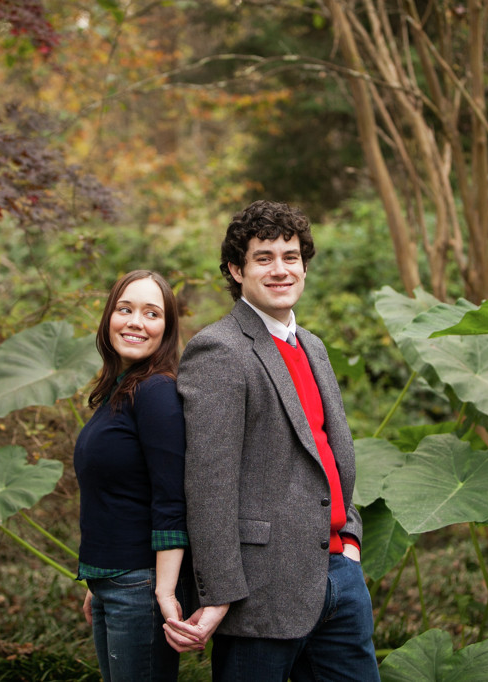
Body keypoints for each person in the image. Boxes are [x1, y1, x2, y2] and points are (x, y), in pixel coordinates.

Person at [165, 200, 380, 680]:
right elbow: (209, 483)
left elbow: (329, 451)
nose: (280, 269)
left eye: (291, 256)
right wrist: (219, 592)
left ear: (304, 266)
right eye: (264, 258)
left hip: (339, 576)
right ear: (236, 270)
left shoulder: (313, 346)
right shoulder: (220, 349)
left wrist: (350, 539)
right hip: (261, 590)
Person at [75, 269, 189, 682]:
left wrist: (163, 591)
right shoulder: (119, 390)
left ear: (167, 329)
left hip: (139, 587)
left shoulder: (156, 391)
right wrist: (96, 581)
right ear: (109, 317)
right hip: (111, 581)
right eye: (125, 309)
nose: (135, 322)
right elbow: (111, 498)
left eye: (151, 313)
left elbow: (171, 497)